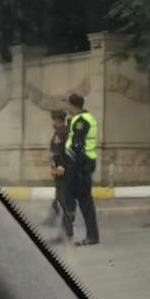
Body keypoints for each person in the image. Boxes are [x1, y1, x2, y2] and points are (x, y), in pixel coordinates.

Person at [63, 93, 100, 245]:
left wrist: (72, 164)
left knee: (84, 201)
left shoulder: (81, 121)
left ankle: (91, 236)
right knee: (71, 195)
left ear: (72, 105)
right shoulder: (83, 118)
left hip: (80, 164)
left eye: (67, 104)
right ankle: (72, 228)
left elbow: (77, 145)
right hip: (83, 163)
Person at [43, 110, 70, 229]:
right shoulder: (59, 132)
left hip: (63, 169)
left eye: (53, 119)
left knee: (62, 195)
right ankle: (53, 218)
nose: (52, 122)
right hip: (59, 169)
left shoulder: (62, 133)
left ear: (58, 120)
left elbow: (63, 152)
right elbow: (54, 152)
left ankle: (67, 222)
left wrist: (61, 167)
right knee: (59, 194)